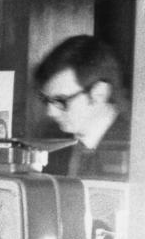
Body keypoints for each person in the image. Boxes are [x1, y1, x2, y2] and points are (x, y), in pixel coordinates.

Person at [33, 34, 130, 181]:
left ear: (99, 93)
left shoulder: (137, 148)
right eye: (46, 100)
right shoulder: (53, 147)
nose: (50, 112)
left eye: (61, 100)